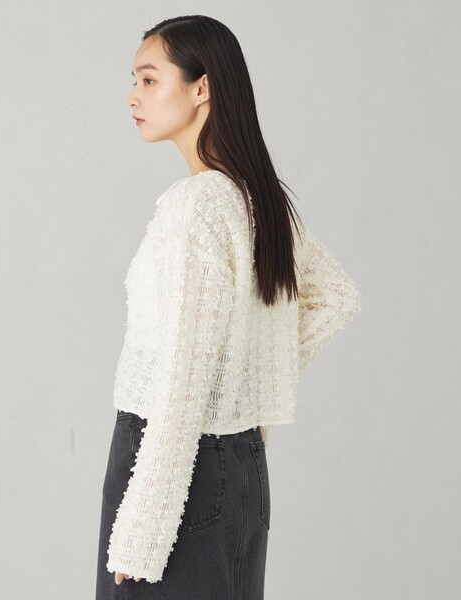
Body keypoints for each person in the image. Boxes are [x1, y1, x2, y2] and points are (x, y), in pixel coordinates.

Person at [95, 14, 362, 600]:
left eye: (149, 80)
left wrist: (142, 533)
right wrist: (241, 390)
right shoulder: (257, 198)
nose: (133, 96)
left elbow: (182, 379)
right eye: (134, 81)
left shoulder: (194, 207)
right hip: (237, 468)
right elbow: (334, 296)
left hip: (170, 475)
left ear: (202, 88)